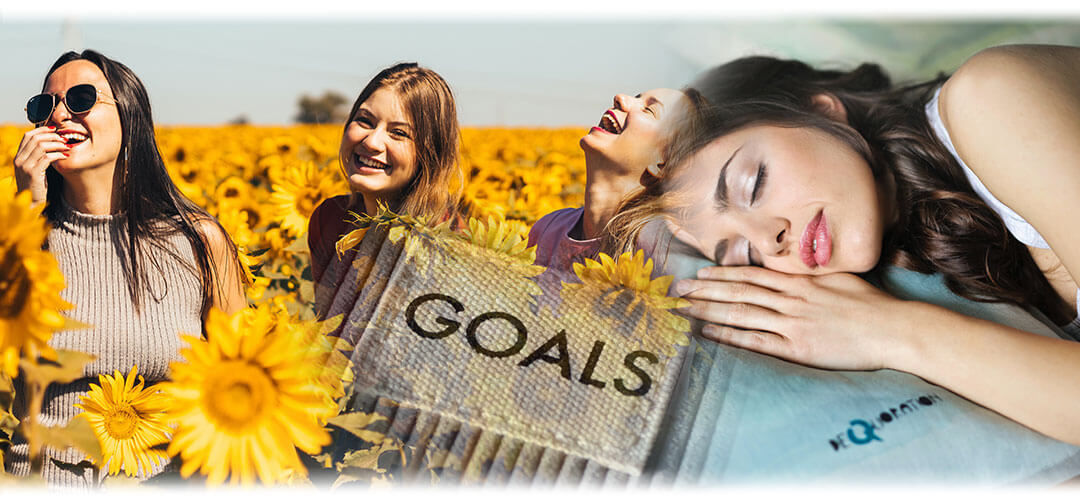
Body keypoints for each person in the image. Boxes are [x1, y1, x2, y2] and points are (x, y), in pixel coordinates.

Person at [615, 45, 1080, 446]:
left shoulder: (991, 96)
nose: (768, 240)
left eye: (752, 183)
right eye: (744, 255)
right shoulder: (923, 252)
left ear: (821, 111)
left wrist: (892, 332)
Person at [8, 50, 246, 485]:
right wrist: (25, 216)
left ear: (130, 115)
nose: (60, 115)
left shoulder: (198, 242)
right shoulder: (18, 237)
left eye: (80, 99)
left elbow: (241, 383)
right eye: (45, 106)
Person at [308, 63, 463, 290]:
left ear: (430, 155)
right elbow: (328, 322)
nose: (371, 141)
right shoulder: (331, 221)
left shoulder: (449, 245)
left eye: (399, 133)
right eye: (365, 121)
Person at [527, 88, 703, 277]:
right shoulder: (547, 230)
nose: (620, 98)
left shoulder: (668, 256)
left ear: (663, 165)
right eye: (637, 97)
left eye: (649, 110)